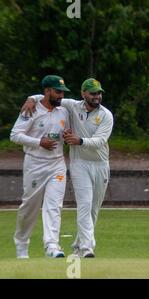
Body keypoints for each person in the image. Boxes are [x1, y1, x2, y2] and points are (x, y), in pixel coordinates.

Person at [22, 78, 114, 258]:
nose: (97, 97)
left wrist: (79, 141)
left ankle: (79, 245)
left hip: (101, 164)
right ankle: (88, 247)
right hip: (79, 163)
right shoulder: (72, 106)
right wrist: (31, 98)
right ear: (83, 94)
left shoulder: (106, 115)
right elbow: (47, 97)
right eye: (93, 93)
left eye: (99, 93)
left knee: (94, 209)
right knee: (85, 205)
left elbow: (100, 141)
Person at [11, 75, 70, 258]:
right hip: (35, 164)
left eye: (62, 92)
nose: (61, 96)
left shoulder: (64, 111)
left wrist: (67, 136)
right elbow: (15, 135)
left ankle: (52, 246)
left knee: (54, 205)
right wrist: (39, 142)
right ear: (47, 91)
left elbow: (63, 133)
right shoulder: (32, 109)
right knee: (29, 206)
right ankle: (22, 243)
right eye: (57, 92)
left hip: (57, 164)